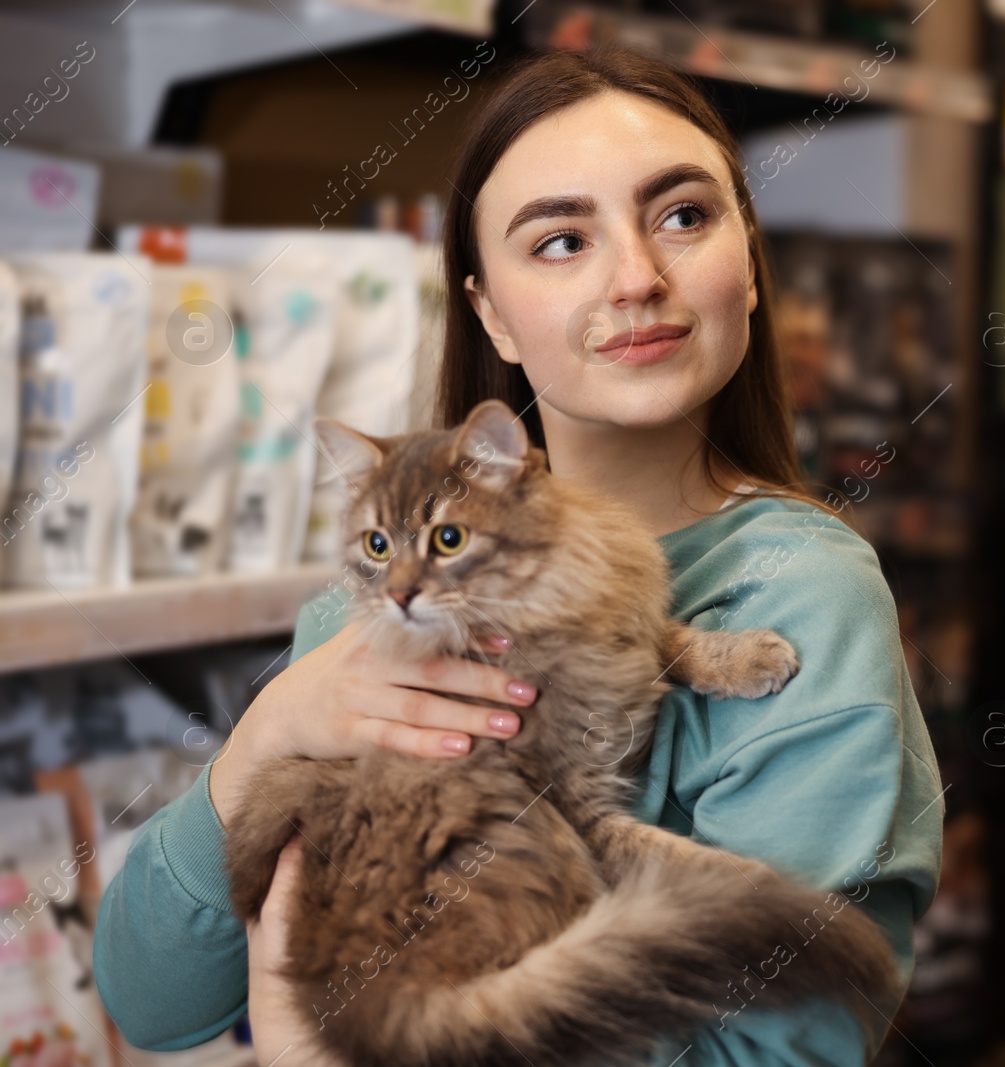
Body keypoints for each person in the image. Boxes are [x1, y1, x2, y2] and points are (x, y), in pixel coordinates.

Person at [91, 46, 944, 1067]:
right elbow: (149, 1000)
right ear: (490, 309)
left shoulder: (803, 589)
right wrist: (258, 742)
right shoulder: (365, 616)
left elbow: (791, 1041)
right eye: (559, 239)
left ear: (749, 266)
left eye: (683, 215)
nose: (637, 277)